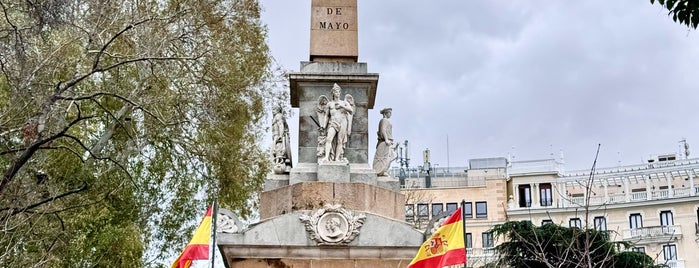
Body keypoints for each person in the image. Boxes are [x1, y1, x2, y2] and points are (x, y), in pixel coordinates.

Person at [318, 83, 354, 162]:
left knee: (339, 140)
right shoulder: (329, 104)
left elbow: (351, 111)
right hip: (333, 122)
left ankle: (337, 158)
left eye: (339, 92)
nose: (338, 93)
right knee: (328, 139)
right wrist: (324, 126)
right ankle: (326, 157)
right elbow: (327, 116)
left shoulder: (344, 102)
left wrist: (342, 106)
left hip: (343, 122)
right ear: (333, 93)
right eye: (336, 92)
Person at [373, 108, 395, 176]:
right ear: (385, 113)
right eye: (389, 113)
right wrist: (386, 140)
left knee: (392, 156)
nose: (390, 114)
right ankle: (382, 171)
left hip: (389, 141)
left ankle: (384, 170)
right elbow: (383, 130)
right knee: (387, 157)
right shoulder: (384, 120)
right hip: (386, 142)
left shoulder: (386, 120)